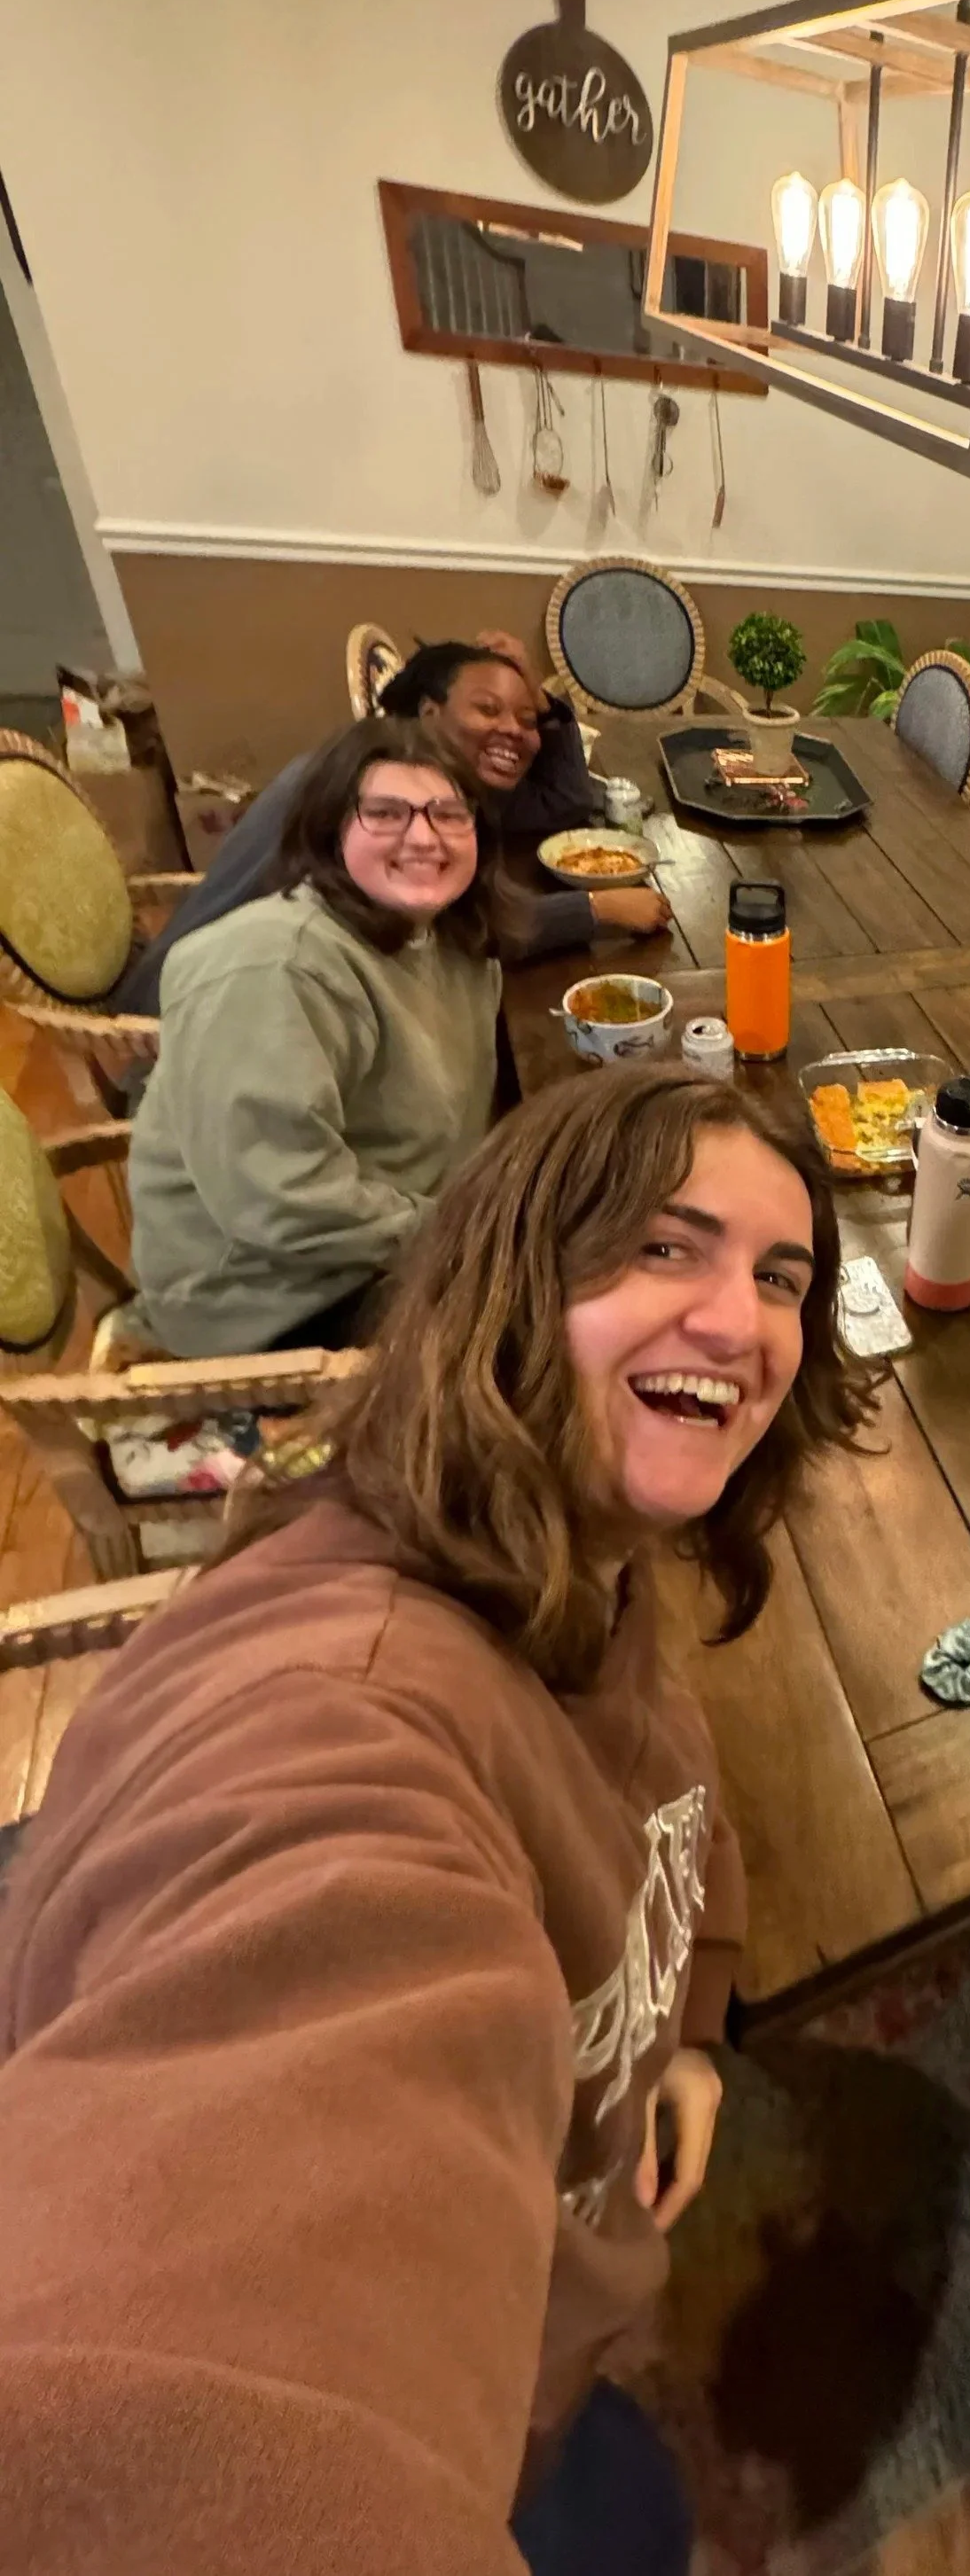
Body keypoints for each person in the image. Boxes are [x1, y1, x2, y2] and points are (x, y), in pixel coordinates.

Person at [0, 1063, 874, 2576]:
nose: (742, 1320)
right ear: (510, 1278)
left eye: (779, 1274)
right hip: (489, 2402)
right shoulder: (336, 1719)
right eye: (664, 1246)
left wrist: (688, 2031)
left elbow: (675, 1779)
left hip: (568, 2312)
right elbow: (202, 2341)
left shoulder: (572, 1553)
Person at [127, 714, 505, 1355]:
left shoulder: (444, 941)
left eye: (448, 812)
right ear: (330, 830)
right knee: (582, 1331)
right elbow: (281, 1203)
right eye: (386, 813)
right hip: (272, 1301)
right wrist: (470, 1229)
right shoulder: (271, 965)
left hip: (389, 1244)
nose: (423, 836)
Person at [117, 628, 669, 1013]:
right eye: (487, 709)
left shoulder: (435, 779)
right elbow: (469, 931)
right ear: (429, 712)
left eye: (527, 719)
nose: (514, 730)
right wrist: (598, 907)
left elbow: (565, 802)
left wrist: (544, 707)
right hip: (212, 1012)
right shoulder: (375, 795)